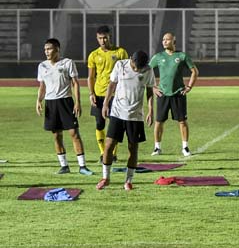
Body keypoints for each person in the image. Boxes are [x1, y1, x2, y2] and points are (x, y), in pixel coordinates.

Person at [95, 50, 155, 191]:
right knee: (109, 146)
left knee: (133, 149)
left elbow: (150, 91)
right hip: (117, 112)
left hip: (135, 115)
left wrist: (151, 111)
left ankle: (128, 180)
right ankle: (105, 178)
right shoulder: (120, 65)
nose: (136, 69)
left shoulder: (148, 70)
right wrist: (105, 104)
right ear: (130, 59)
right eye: (134, 66)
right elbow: (112, 85)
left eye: (139, 68)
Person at [35, 38, 93, 176]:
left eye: (49, 49)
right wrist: (39, 100)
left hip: (66, 102)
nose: (46, 52)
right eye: (45, 49)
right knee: (56, 135)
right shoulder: (42, 66)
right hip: (51, 103)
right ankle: (64, 165)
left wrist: (78, 102)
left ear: (57, 49)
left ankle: (82, 166)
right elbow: (42, 86)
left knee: (74, 133)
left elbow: (75, 83)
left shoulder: (68, 63)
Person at [149, 32, 199, 157]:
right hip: (163, 94)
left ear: (173, 41)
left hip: (178, 94)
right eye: (163, 39)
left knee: (182, 121)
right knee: (159, 122)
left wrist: (189, 87)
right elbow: (147, 71)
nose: (164, 41)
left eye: (167, 39)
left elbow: (194, 71)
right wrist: (154, 87)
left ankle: (185, 147)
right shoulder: (158, 57)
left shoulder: (182, 56)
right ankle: (157, 147)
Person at [87, 25, 128, 160]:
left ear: (110, 36)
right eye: (100, 38)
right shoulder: (93, 55)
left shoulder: (121, 52)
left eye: (105, 37)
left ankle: (113, 154)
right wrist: (91, 93)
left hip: (116, 95)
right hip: (99, 94)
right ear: (97, 38)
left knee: (114, 125)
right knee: (100, 124)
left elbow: (126, 73)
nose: (103, 41)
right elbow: (91, 77)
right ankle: (102, 152)